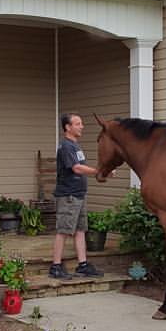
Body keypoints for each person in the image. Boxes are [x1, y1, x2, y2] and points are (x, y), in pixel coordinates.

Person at [49, 112, 105, 279]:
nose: (82, 126)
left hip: (79, 194)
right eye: (78, 123)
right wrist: (99, 171)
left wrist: (101, 171)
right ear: (68, 127)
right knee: (63, 230)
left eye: (81, 123)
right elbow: (76, 168)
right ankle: (56, 266)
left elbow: (80, 167)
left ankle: (83, 265)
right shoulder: (66, 146)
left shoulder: (75, 146)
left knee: (80, 230)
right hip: (68, 195)